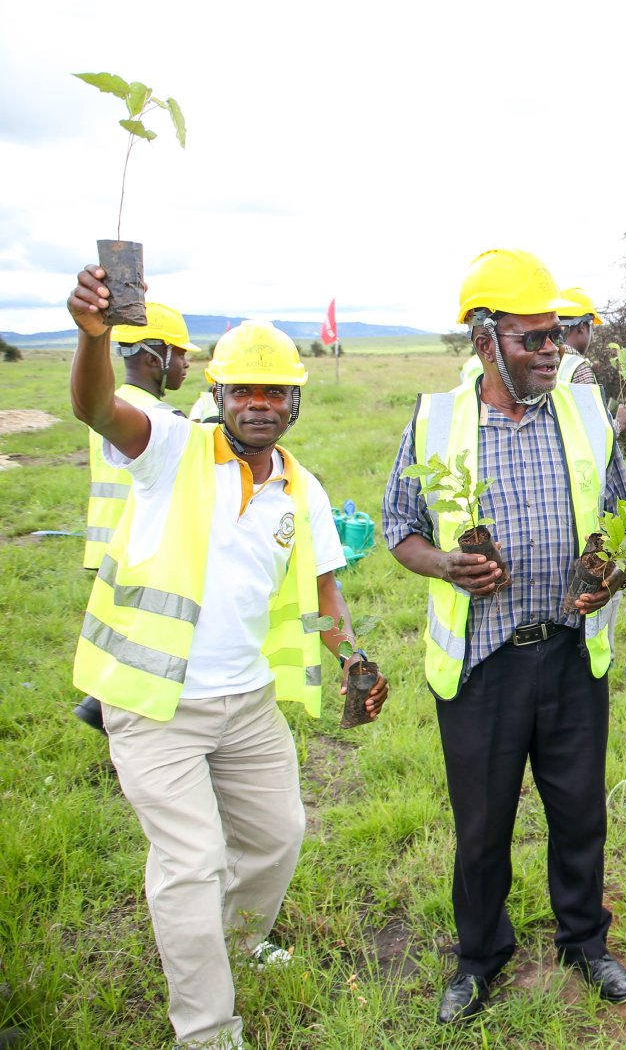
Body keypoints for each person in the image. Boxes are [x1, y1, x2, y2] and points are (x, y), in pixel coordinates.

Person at [66, 274, 388, 1050]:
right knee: (192, 859)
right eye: (244, 389)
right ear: (217, 392)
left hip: (245, 703)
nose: (261, 404)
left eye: (277, 393)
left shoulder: (299, 488)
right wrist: (92, 335)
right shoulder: (167, 444)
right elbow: (95, 406)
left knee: (278, 835)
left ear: (295, 403)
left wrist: (352, 657)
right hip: (152, 702)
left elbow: (322, 589)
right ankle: (207, 1030)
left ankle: (241, 940)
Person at [382, 248, 626, 1023]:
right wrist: (448, 565)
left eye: (556, 335)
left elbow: (624, 516)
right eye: (533, 339)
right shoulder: (435, 420)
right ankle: (480, 957)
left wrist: (610, 571)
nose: (551, 351)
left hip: (568, 649)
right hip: (483, 662)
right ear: (484, 340)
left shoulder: (586, 413)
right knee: (483, 822)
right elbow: (399, 528)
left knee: (579, 809)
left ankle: (584, 941)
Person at [76, 301, 199, 731]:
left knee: (122, 637)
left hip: (109, 542)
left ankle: (106, 711)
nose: (186, 364)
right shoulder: (155, 418)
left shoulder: (117, 402)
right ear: (153, 357)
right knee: (148, 645)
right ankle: (119, 721)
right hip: (145, 549)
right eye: (180, 354)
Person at [557, 286, 626, 433]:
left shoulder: (545, 361)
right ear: (583, 326)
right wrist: (621, 423)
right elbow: (593, 434)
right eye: (592, 327)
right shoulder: (578, 368)